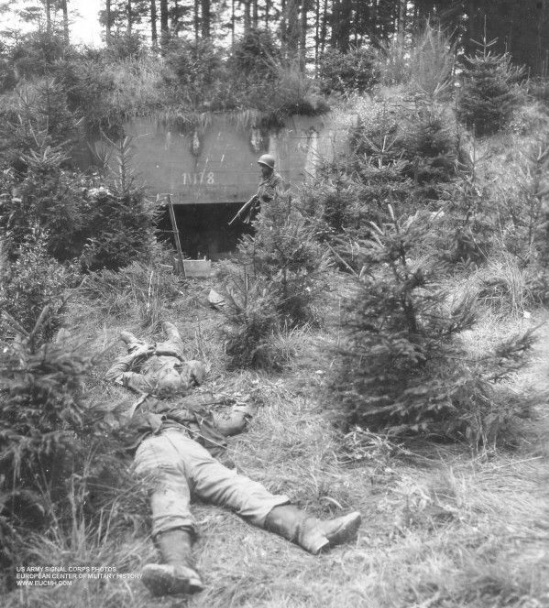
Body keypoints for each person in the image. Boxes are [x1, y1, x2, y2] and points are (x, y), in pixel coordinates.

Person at [106, 322, 362, 597]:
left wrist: (247, 403)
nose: (170, 390)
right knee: (167, 500)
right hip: (153, 449)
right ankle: (178, 568)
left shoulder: (193, 414)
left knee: (241, 488)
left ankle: (313, 530)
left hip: (194, 451)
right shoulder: (135, 410)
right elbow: (108, 433)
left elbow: (232, 423)